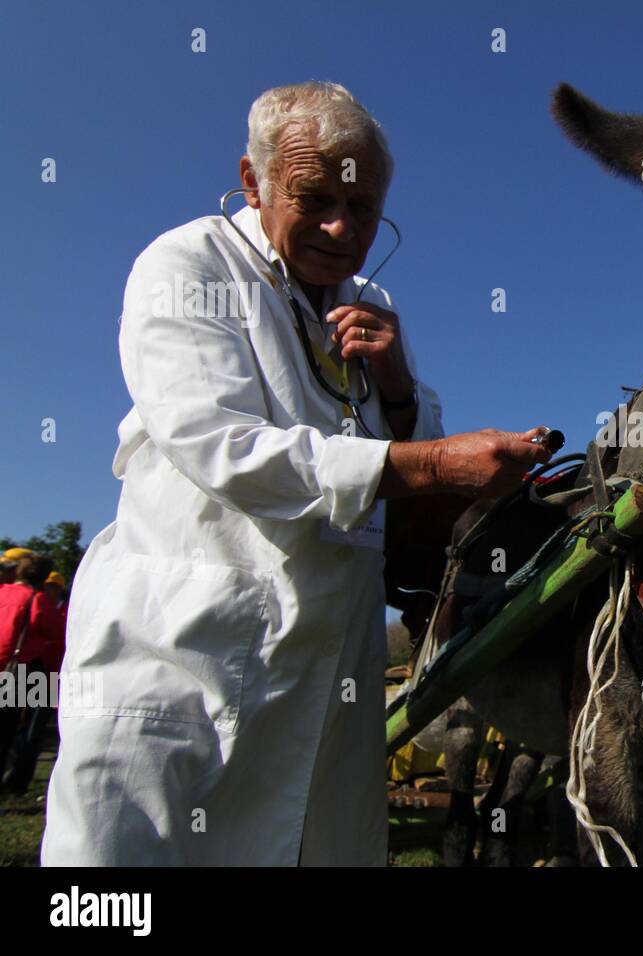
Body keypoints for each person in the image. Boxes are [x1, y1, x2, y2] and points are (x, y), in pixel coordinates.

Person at [41, 82, 553, 866]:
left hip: (329, 673)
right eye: (313, 199)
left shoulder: (371, 303)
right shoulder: (189, 264)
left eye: (364, 210)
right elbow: (216, 441)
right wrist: (431, 461)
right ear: (254, 181)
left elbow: (409, 471)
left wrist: (401, 390)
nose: (341, 229)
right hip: (185, 651)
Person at [0, 553, 63, 791]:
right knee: (16, 730)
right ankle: (13, 783)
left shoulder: (2, 591)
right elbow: (57, 633)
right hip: (21, 669)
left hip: (3, 664)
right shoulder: (37, 599)